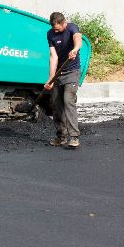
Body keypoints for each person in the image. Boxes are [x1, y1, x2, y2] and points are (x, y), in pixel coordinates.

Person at [43, 12, 83, 149]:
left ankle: (74, 136)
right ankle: (62, 135)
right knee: (55, 103)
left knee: (68, 100)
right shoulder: (50, 34)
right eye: (54, 28)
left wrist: (75, 49)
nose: (56, 31)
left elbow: (78, 39)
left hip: (72, 71)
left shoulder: (72, 28)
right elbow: (53, 56)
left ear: (64, 23)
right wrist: (51, 78)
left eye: (58, 28)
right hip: (59, 73)